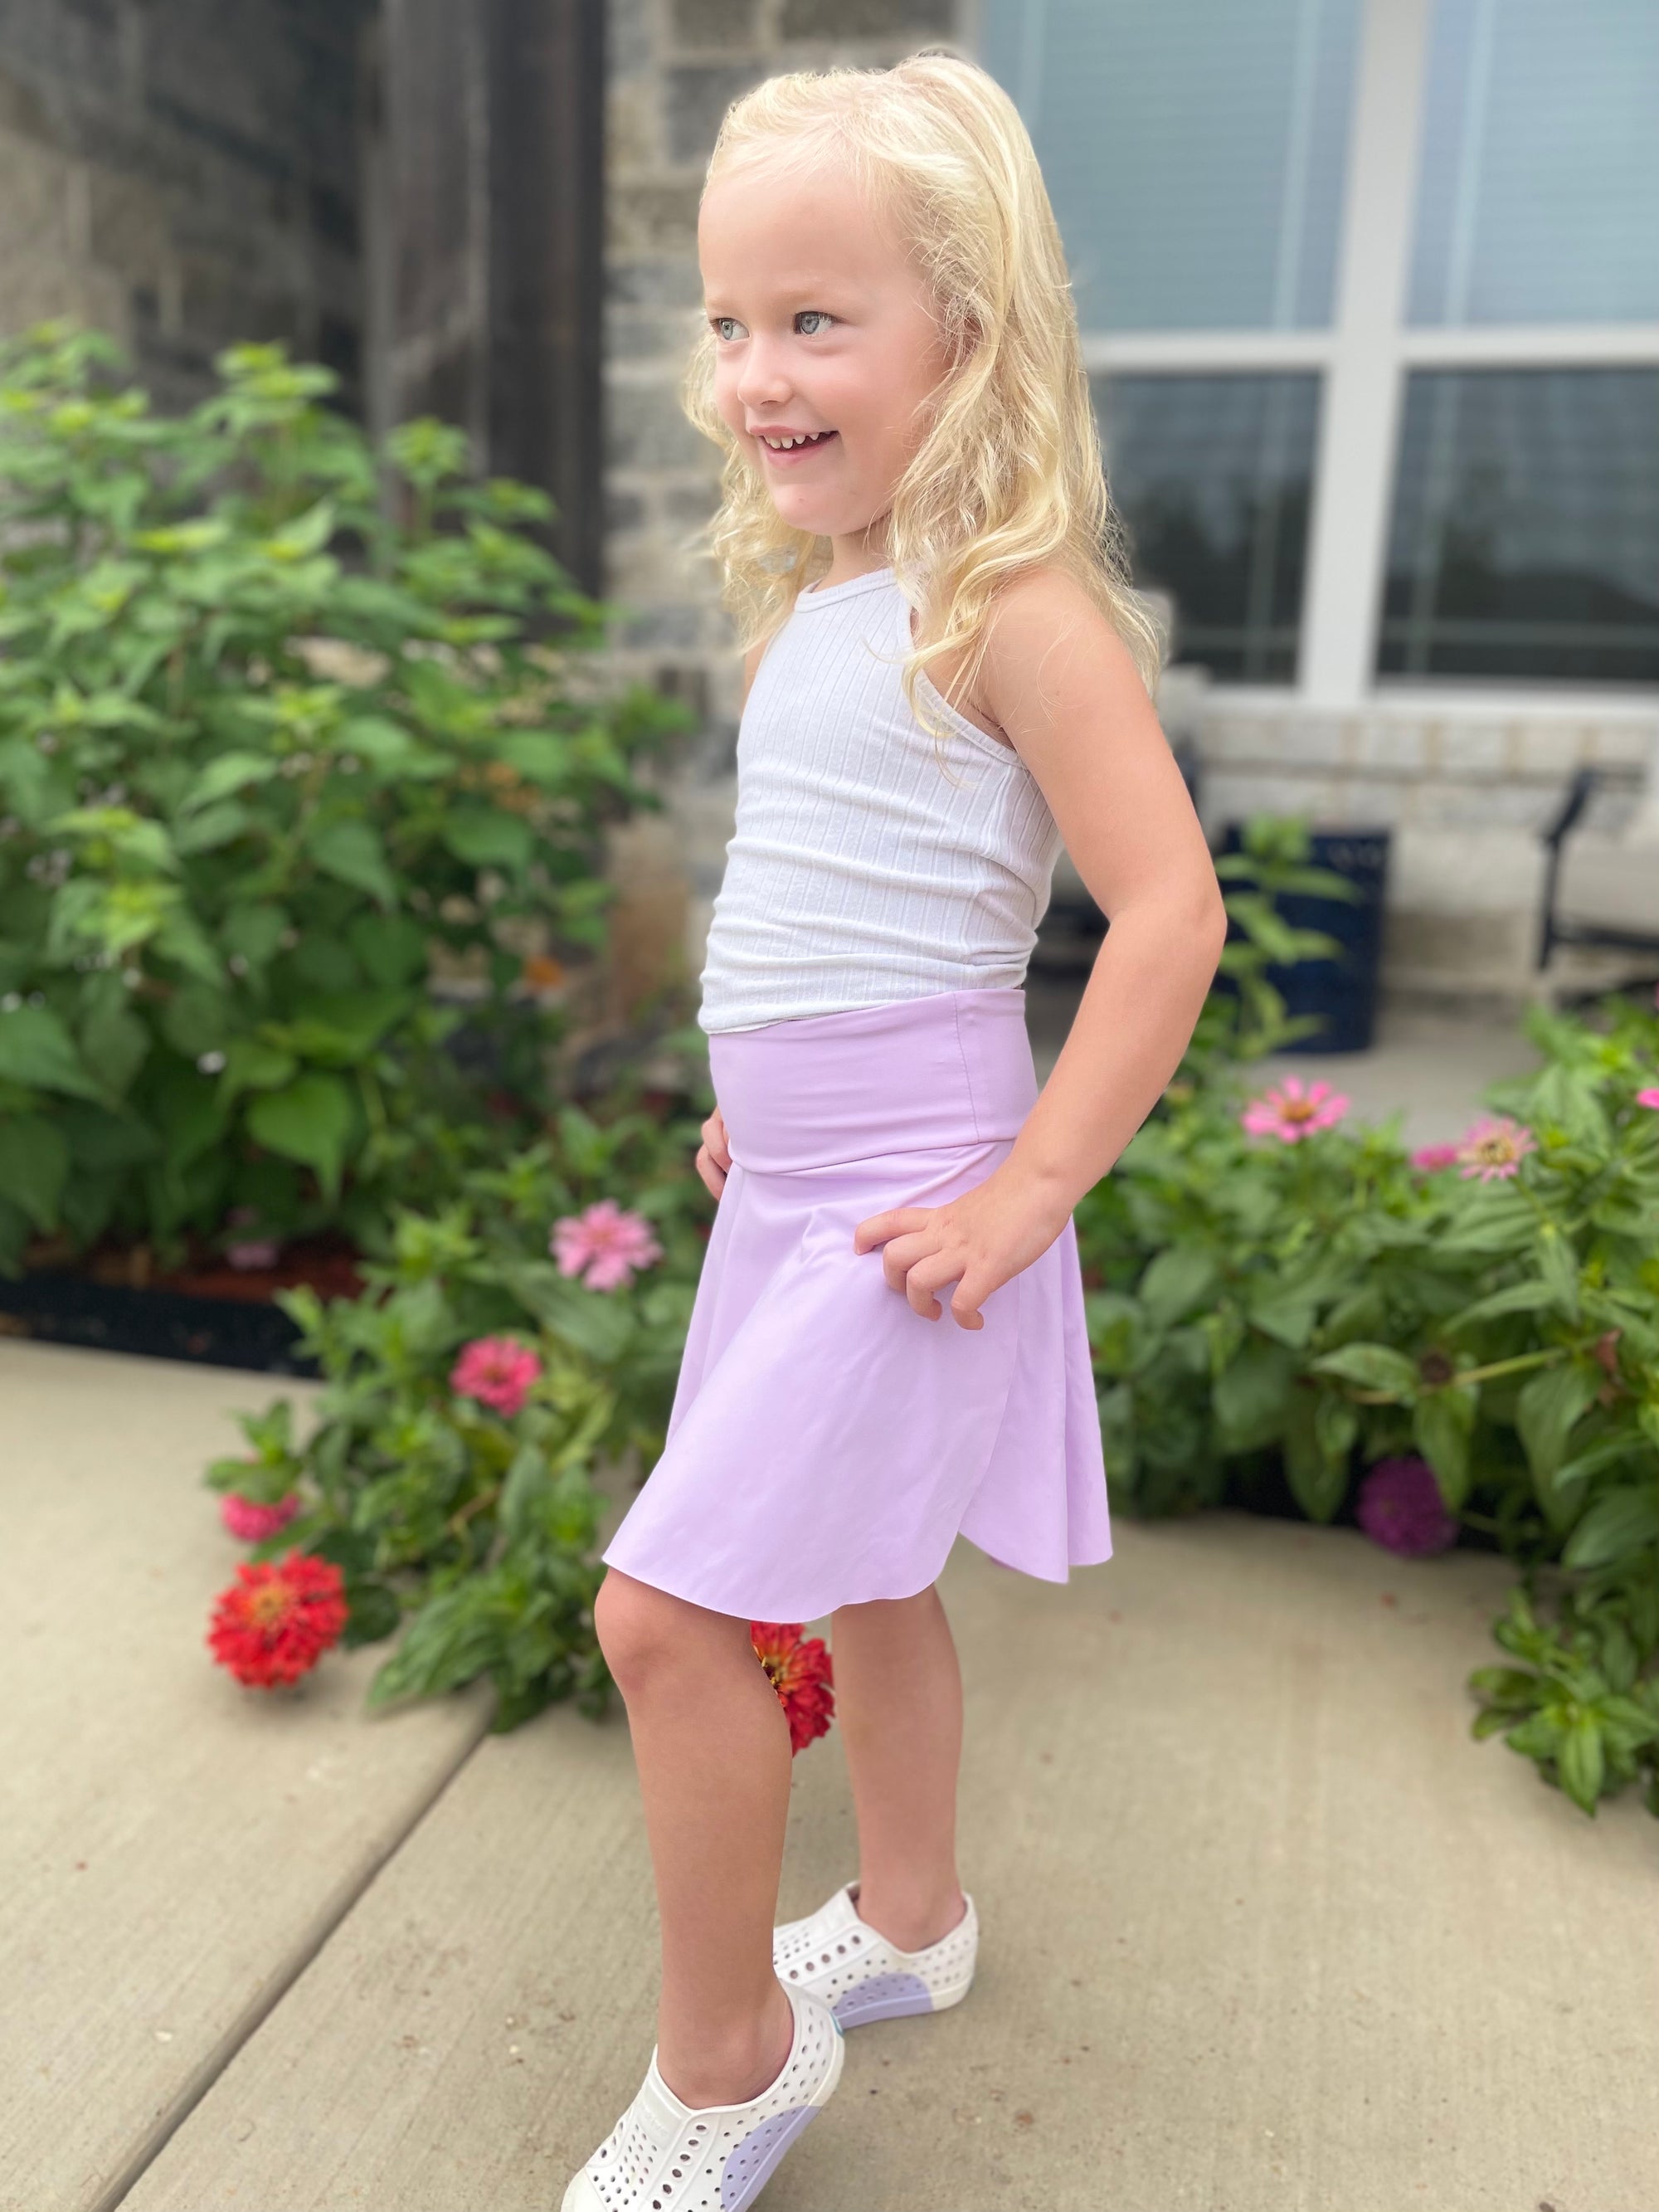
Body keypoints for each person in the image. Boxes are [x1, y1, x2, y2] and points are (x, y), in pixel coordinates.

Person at [561, 49, 1228, 2212]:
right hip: (798, 1186)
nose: (757, 372)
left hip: (923, 1195)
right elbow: (829, 903)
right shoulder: (816, 614)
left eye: (816, 319)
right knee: (859, 1581)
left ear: (969, 326)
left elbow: (1169, 912)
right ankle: (916, 1914)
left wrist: (1030, 1188)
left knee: (664, 1619)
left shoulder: (1012, 609)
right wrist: (755, 1106)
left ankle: (731, 2055)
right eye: (730, 322)